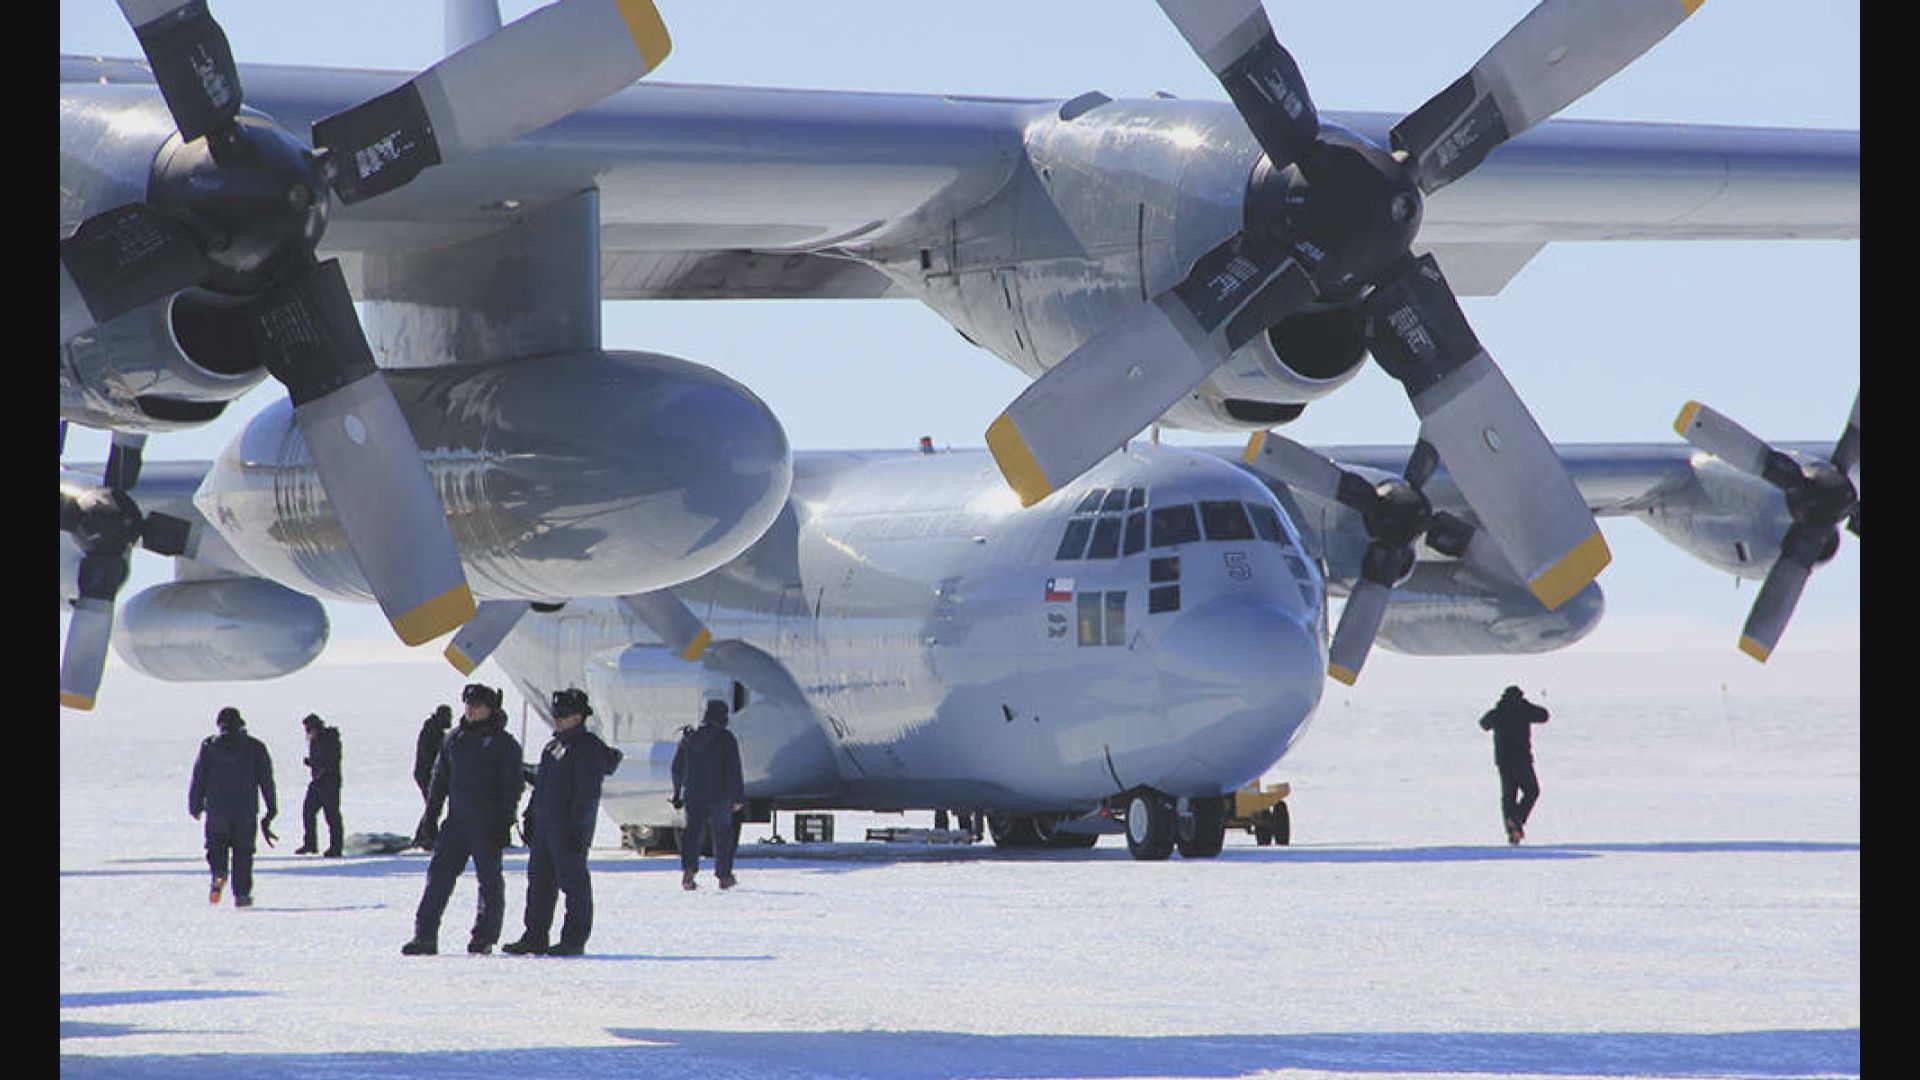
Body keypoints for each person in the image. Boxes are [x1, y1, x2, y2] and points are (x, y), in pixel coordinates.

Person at [403, 684, 523, 955]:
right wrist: (430, 817)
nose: (470, 710)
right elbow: (439, 780)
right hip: (456, 823)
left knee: (489, 882)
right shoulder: (454, 740)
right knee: (438, 877)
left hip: (486, 824)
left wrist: (504, 823)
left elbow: (511, 788)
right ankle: (424, 936)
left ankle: (484, 937)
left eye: (477, 705)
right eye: (468, 704)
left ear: (490, 708)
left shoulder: (504, 745)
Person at [503, 688, 616, 957]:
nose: (559, 720)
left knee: (573, 885)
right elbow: (542, 786)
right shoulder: (554, 747)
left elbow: (587, 794)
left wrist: (578, 829)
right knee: (540, 883)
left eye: (564, 715)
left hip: (568, 829)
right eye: (557, 715)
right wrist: (531, 817)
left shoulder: (587, 748)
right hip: (545, 827)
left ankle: (573, 939)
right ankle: (534, 937)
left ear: (579, 716)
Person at [188, 707, 278, 908]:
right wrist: (271, 808)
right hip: (245, 809)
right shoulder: (255, 747)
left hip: (217, 808)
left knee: (216, 845)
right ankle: (242, 894)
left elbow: (198, 777)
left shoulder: (209, 747)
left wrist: (195, 804)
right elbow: (266, 780)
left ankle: (219, 873)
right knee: (243, 853)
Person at [670, 699, 746, 891]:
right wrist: (737, 797)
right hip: (720, 795)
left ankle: (688, 873)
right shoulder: (726, 739)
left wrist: (678, 792)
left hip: (694, 795)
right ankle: (724, 875)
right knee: (722, 835)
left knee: (692, 834)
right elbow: (733, 769)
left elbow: (677, 768)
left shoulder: (688, 738)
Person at [1479, 685, 1550, 844]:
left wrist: (1497, 712)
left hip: (1503, 761)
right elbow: (1544, 716)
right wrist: (1526, 705)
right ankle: (1516, 819)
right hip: (1521, 759)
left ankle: (1513, 830)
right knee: (1532, 791)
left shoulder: (1498, 712)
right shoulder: (1523, 709)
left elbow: (1483, 724)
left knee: (1508, 797)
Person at [295, 714, 344, 857]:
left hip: (330, 782)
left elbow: (331, 760)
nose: (307, 732)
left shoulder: (330, 739)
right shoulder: (314, 740)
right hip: (317, 781)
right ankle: (310, 844)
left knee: (332, 815)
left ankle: (336, 847)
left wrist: (314, 764)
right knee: (308, 811)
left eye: (308, 728)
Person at [413, 704, 453, 808]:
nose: (450, 721)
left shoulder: (437, 731)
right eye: (448, 717)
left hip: (432, 774)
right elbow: (432, 755)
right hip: (426, 774)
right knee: (433, 807)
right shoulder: (431, 732)